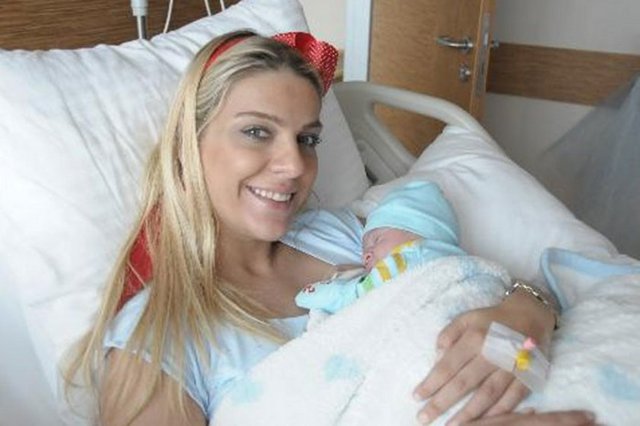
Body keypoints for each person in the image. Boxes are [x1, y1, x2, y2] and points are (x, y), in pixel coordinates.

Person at [64, 30, 596, 426]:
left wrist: (523, 316)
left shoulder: (344, 233)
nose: (294, 165)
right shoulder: (160, 338)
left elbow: (467, 287)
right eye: (257, 132)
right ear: (189, 143)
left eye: (307, 139)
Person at [295, 180, 467, 316]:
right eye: (364, 250)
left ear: (417, 232)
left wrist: (323, 293)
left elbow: (357, 296)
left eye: (376, 240)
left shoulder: (411, 257)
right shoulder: (458, 261)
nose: (365, 256)